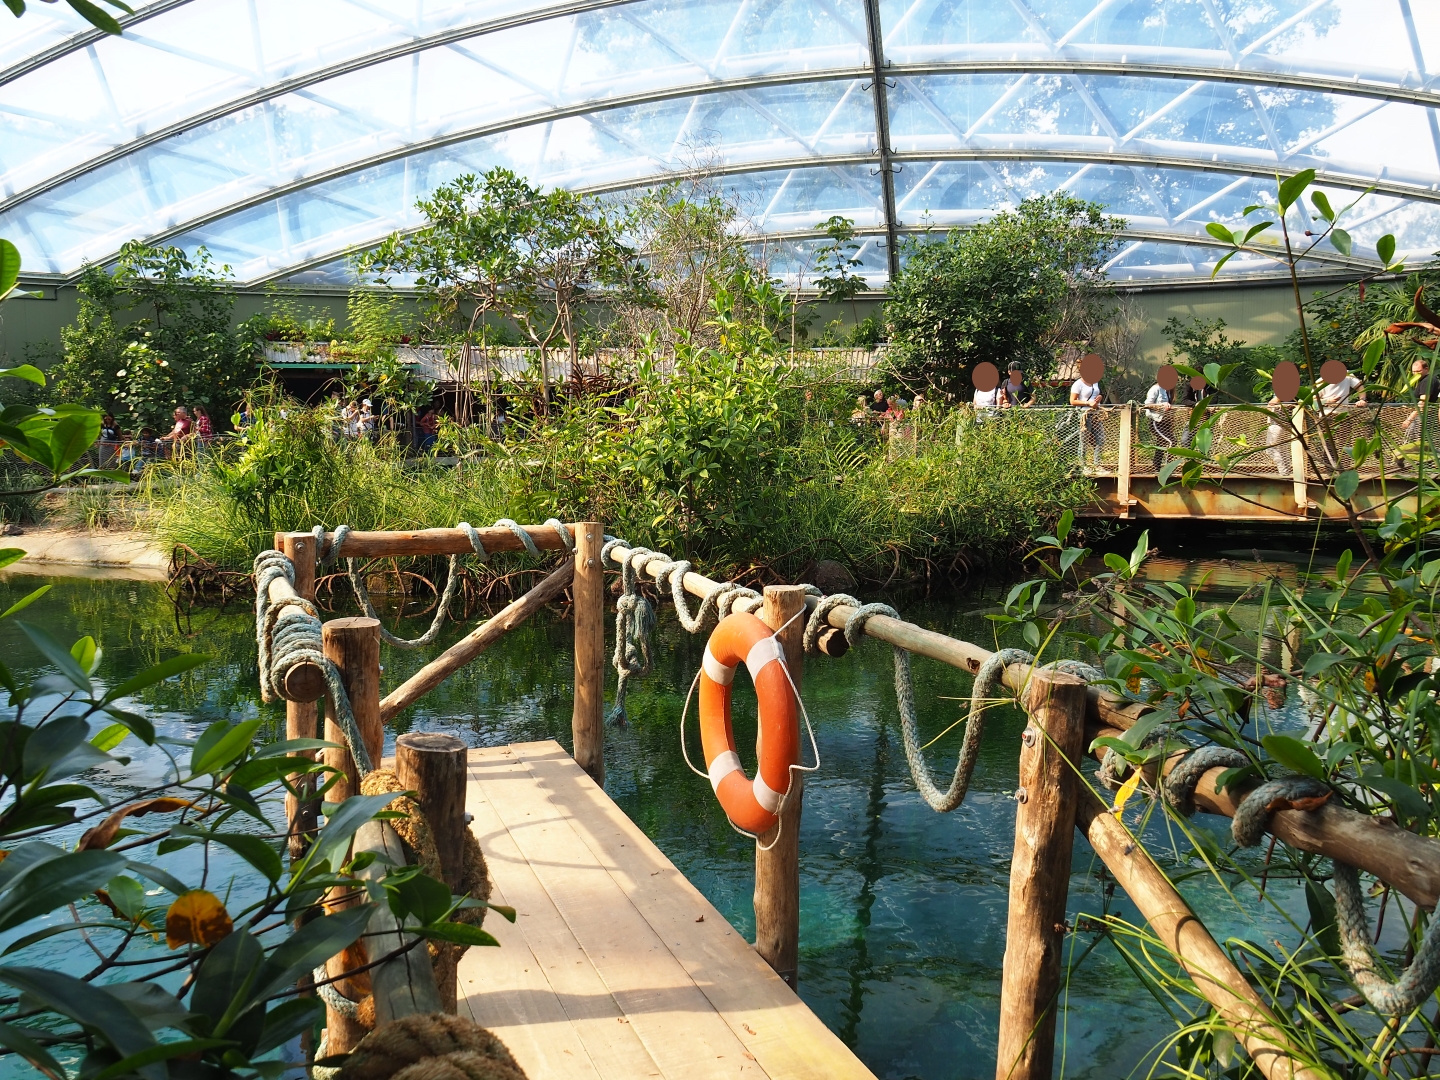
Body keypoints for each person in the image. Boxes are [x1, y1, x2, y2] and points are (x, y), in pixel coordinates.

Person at [1069, 365, 1104, 467]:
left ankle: (1097, 465)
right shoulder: (1078, 384)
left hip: (1096, 414)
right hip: (1084, 415)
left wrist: (1099, 397)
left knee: (1101, 439)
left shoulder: (1095, 381)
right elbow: (1072, 401)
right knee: (1084, 441)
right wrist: (1087, 403)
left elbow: (1096, 394)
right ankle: (1083, 466)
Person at [1144, 369, 1176, 468]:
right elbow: (1147, 404)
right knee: (1171, 441)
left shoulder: (1169, 391)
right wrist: (1162, 405)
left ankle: (1156, 465)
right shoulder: (1156, 389)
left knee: (1161, 443)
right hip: (1156, 421)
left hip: (1166, 422)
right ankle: (1168, 467)